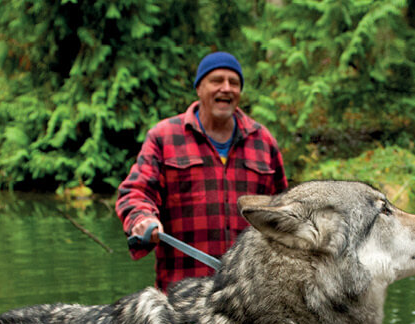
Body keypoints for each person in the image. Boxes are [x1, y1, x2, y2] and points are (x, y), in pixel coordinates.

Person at [116, 51, 288, 292]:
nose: (226, 88)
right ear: (199, 88)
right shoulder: (164, 137)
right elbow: (135, 192)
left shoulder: (263, 141)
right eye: (217, 80)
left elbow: (284, 215)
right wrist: (143, 218)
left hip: (248, 298)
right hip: (182, 299)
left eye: (234, 82)